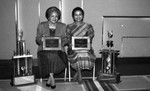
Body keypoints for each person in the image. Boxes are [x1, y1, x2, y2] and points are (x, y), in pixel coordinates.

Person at [35, 6, 68, 89]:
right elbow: (37, 38)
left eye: (56, 16)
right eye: (52, 16)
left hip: (58, 49)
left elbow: (66, 39)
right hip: (44, 50)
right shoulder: (41, 25)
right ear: (48, 16)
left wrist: (61, 43)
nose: (54, 18)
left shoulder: (63, 26)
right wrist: (41, 40)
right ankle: (52, 78)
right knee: (50, 55)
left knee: (54, 55)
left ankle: (50, 78)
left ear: (58, 17)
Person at [66, 7, 96, 84]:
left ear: (83, 16)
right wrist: (72, 44)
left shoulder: (88, 26)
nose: (78, 16)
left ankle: (77, 73)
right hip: (73, 48)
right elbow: (67, 38)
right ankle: (79, 73)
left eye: (80, 14)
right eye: (76, 15)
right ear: (73, 16)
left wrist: (83, 42)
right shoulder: (69, 26)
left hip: (86, 47)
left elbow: (91, 37)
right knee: (78, 54)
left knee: (85, 53)